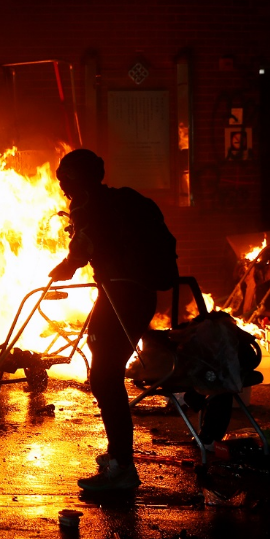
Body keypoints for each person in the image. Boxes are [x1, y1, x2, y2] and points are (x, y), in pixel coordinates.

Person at [49, 149, 178, 491]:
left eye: (66, 180)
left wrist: (64, 267)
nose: (63, 187)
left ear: (76, 180)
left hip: (121, 296)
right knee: (106, 374)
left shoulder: (89, 204)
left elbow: (82, 249)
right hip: (139, 294)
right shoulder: (126, 200)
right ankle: (118, 458)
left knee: (105, 377)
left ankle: (122, 467)